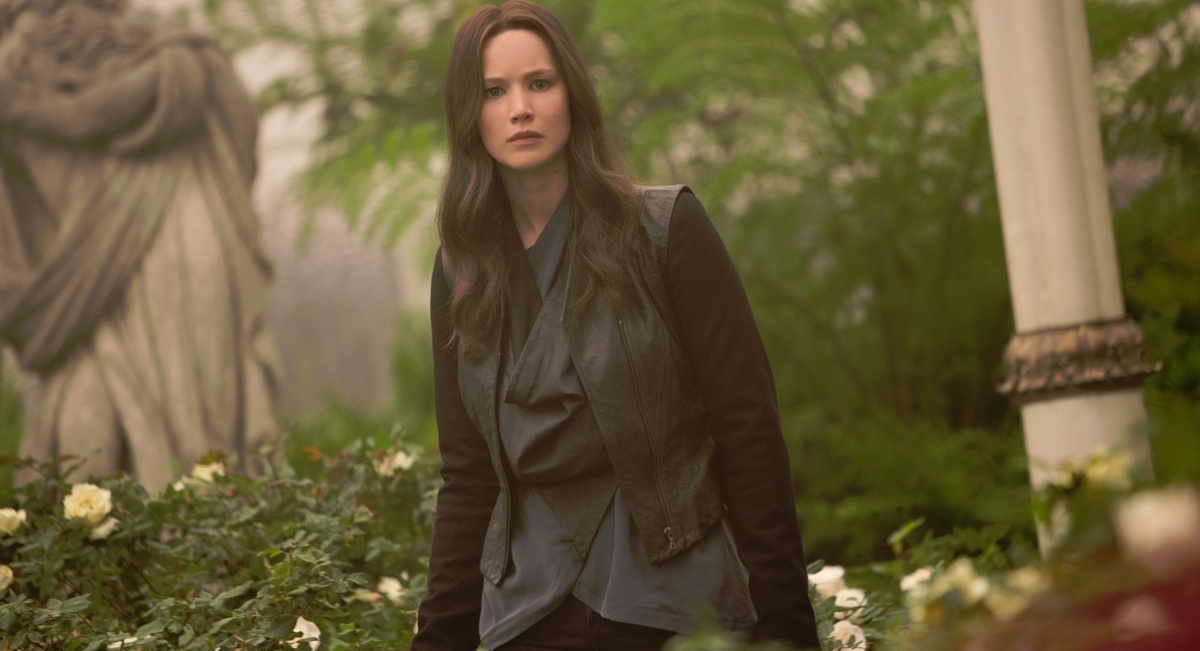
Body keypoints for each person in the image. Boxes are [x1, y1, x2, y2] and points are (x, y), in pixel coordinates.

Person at [413, 2, 819, 649]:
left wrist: (788, 632)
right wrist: (437, 640)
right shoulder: (459, 272)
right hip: (526, 616)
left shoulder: (667, 231)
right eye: (494, 91)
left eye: (539, 83)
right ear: (470, 115)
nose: (520, 108)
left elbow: (749, 432)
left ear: (573, 95)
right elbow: (468, 477)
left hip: (673, 603)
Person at [0, 0, 281, 492]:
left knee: (198, 440)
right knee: (88, 441)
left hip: (175, 239)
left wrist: (66, 113)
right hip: (83, 288)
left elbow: (227, 116)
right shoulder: (23, 58)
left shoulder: (171, 50)